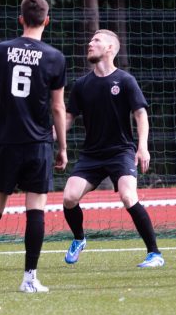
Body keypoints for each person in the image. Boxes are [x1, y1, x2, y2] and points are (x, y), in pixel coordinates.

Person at [0, 0, 67, 294]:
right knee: (35, 209)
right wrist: (61, 146)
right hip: (38, 144)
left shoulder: (1, 50)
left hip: (7, 141)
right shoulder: (55, 57)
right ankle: (29, 278)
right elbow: (58, 108)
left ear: (20, 18)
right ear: (46, 20)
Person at [62, 29, 164, 269]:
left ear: (109, 49)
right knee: (68, 198)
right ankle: (79, 239)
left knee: (128, 196)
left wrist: (143, 147)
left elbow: (141, 114)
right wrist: (51, 136)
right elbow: (68, 118)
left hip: (121, 151)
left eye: (96, 40)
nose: (90, 43)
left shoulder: (125, 80)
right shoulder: (81, 84)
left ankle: (155, 253)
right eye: (90, 39)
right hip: (92, 155)